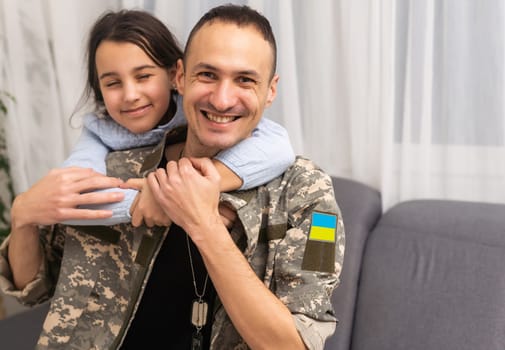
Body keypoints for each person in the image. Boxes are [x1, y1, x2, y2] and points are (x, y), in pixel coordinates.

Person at [0, 5, 344, 350]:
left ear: (270, 90)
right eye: (207, 75)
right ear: (179, 76)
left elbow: (295, 345)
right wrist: (22, 218)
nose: (223, 99)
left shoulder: (310, 196)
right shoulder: (116, 171)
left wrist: (202, 223)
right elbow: (34, 288)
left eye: (245, 79)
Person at [60, 9, 295, 227]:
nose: (130, 96)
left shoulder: (198, 108)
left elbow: (278, 146)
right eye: (112, 83)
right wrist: (144, 202)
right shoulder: (100, 132)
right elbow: (74, 196)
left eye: (143, 77)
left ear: (175, 77)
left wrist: (194, 185)